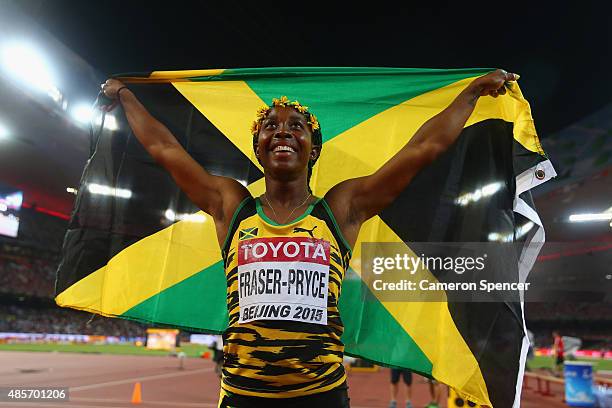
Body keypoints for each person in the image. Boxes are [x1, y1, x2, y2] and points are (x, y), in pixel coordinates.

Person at [101, 69, 517, 408]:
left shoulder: (340, 208)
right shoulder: (232, 205)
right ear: (258, 150)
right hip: (243, 398)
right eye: (270, 127)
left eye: (296, 126)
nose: (282, 132)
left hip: (321, 396)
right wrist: (126, 96)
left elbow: (423, 148)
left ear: (313, 149)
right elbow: (163, 147)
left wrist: (472, 93)